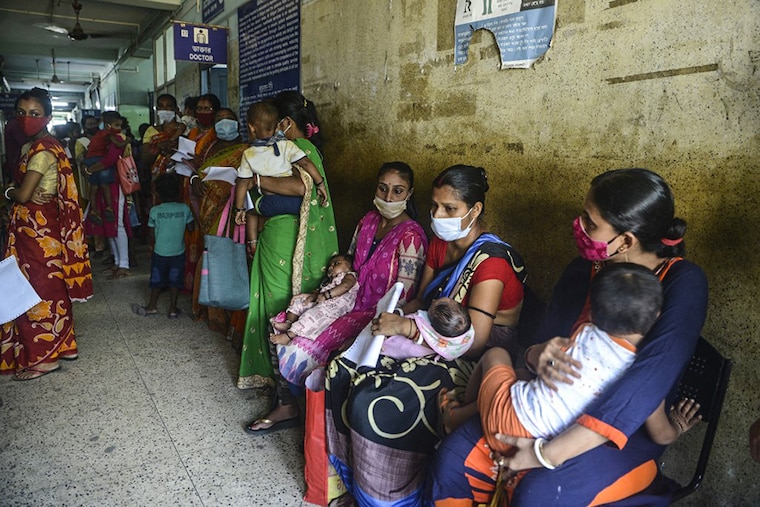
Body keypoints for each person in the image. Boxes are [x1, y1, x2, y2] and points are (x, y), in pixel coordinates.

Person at [427, 168, 708, 506]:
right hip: (552, 404)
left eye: (589, 223)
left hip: (624, 428)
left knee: (537, 494)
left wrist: (543, 454)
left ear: (626, 240)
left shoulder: (683, 281)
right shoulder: (583, 270)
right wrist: (535, 355)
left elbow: (647, 383)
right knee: (452, 460)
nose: (578, 227)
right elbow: (537, 348)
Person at [324, 164, 526, 506]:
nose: (438, 215)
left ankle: (389, 497)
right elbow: (420, 298)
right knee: (343, 367)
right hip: (430, 331)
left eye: (450, 209)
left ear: (475, 210)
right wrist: (395, 314)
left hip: (471, 354)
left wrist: (406, 329)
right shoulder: (439, 244)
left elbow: (474, 340)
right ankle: (354, 483)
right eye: (434, 206)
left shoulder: (492, 262)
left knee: (380, 402)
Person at [245, 161, 427, 435]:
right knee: (283, 320)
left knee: (306, 345)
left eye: (398, 191)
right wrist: (329, 293)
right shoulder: (368, 221)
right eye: (383, 189)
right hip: (347, 299)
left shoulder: (411, 236)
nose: (389, 198)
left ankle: (314, 417)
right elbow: (351, 260)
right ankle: (288, 404)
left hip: (374, 313)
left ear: (409, 194)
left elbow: (404, 294)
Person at [237, 92, 339, 391]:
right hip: (278, 234)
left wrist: (256, 182)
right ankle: (286, 383)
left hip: (285, 237)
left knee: (279, 307)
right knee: (287, 305)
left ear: (284, 122)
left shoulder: (296, 147)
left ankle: (285, 388)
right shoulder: (288, 149)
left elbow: (298, 190)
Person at [0, 87, 93, 380]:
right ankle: (65, 344)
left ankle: (45, 358)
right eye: (21, 113)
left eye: (34, 114)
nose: (26, 119)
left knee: (35, 288)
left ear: (48, 117)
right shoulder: (42, 147)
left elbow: (24, 194)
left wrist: (8, 191)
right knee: (52, 284)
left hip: (37, 230)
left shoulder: (41, 152)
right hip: (44, 226)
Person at [233, 101, 328, 248]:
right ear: (278, 125)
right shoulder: (288, 145)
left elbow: (242, 183)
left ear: (251, 128)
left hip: (270, 204)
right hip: (296, 204)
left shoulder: (249, 154)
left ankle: (252, 243)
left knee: (251, 209)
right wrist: (320, 184)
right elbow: (306, 164)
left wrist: (239, 209)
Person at [190, 107, 249, 333]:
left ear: (238, 123)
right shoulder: (209, 147)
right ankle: (212, 309)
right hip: (211, 208)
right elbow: (195, 169)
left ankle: (235, 312)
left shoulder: (247, 148)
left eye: (229, 120)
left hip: (236, 209)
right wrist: (195, 178)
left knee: (236, 257)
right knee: (214, 254)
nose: (225, 124)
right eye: (219, 120)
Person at [132, 172, 194, 318]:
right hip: (178, 252)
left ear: (158, 193)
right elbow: (191, 228)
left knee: (156, 279)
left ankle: (152, 306)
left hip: (160, 252)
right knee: (175, 280)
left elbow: (152, 235)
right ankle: (173, 309)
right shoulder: (184, 208)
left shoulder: (155, 211)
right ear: (178, 191)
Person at [270, 253, 359, 344]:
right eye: (330, 266)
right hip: (323, 304)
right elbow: (319, 295)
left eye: (336, 263)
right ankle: (289, 323)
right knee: (298, 302)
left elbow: (345, 286)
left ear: (350, 266)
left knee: (311, 316)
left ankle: (288, 336)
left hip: (334, 309)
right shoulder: (330, 282)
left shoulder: (349, 276)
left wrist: (326, 295)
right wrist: (307, 296)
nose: (331, 267)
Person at [380, 297, 476, 362]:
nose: (433, 300)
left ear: (430, 323)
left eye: (434, 304)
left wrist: (398, 313)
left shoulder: (417, 321)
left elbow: (388, 328)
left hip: (386, 352)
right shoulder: (462, 337)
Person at [82, 111, 128, 225]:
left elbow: (89, 148)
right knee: (105, 185)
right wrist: (128, 141)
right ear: (108, 125)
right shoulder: (109, 134)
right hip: (100, 160)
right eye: (117, 125)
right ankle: (109, 207)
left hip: (89, 160)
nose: (119, 128)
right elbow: (118, 145)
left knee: (93, 188)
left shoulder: (98, 134)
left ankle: (94, 210)